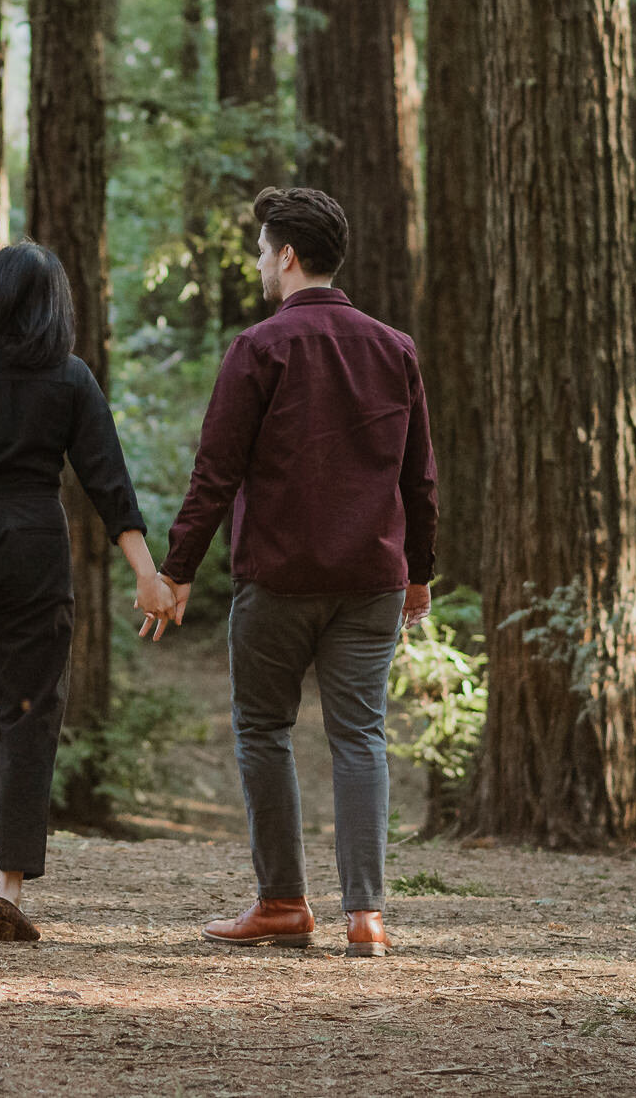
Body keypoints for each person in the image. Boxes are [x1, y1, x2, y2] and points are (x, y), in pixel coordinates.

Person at [154, 187, 436, 958]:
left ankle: (282, 901)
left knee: (262, 729)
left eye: (260, 250)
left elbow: (214, 471)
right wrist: (421, 571)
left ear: (286, 254)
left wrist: (179, 568)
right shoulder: (395, 348)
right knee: (361, 737)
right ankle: (366, 917)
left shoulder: (259, 348)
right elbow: (420, 479)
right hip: (373, 576)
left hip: (277, 577)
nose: (257, 265)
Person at [0, 241, 177, 944]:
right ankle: (12, 885)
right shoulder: (69, 376)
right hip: (30, 546)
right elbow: (109, 480)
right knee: (29, 710)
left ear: (6, 292)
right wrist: (145, 570)